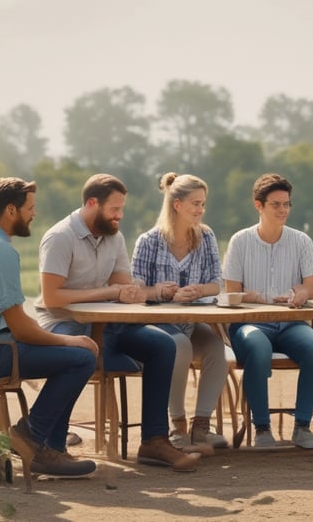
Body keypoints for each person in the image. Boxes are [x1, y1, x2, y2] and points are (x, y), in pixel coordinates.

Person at [34, 173, 200, 472]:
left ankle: (154, 441)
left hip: (107, 324)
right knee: (81, 353)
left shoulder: (114, 236)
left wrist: (142, 292)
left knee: (163, 344)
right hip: (64, 324)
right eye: (114, 209)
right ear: (92, 203)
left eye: (122, 209)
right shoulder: (60, 237)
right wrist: (110, 292)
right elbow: (51, 297)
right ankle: (51, 446)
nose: (119, 216)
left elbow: (122, 285)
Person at [0, 177, 98, 478]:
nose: (34, 214)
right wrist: (70, 342)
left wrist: (57, 340)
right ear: (11, 210)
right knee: (81, 358)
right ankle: (31, 440)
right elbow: (22, 330)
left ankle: (45, 445)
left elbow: (19, 324)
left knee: (70, 353)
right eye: (30, 208)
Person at [222, 173, 313, 449]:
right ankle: (262, 428)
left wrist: (300, 294)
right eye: (276, 205)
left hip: (291, 322)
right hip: (249, 323)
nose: (283, 210)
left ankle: (302, 427)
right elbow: (231, 290)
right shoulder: (240, 241)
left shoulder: (302, 241)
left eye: (287, 204)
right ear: (259, 205)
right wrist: (250, 297)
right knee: (258, 347)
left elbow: (311, 288)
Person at [131, 172, 229, 450]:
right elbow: (135, 291)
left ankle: (201, 427)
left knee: (216, 348)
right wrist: (163, 292)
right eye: (195, 204)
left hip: (192, 321)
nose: (201, 210)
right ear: (177, 205)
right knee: (180, 346)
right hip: (158, 327)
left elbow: (216, 283)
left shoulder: (206, 236)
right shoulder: (148, 241)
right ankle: (177, 426)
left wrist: (197, 290)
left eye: (203, 204)